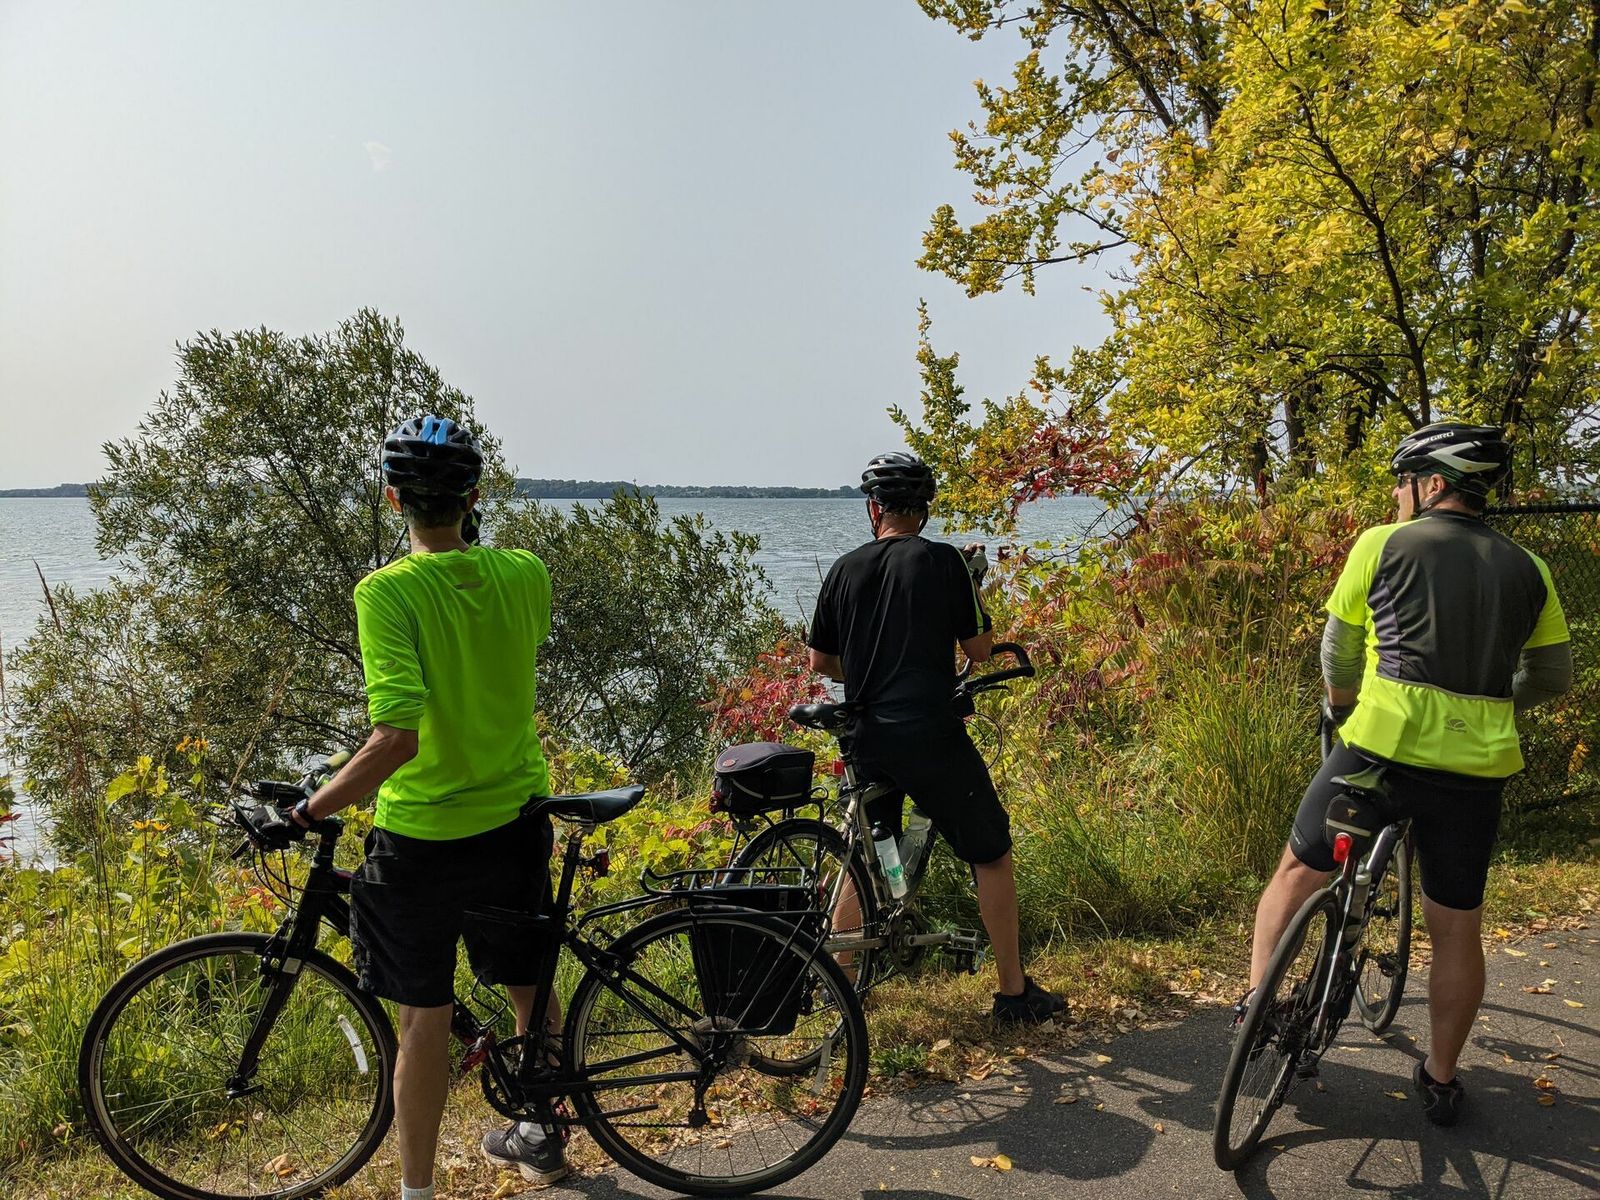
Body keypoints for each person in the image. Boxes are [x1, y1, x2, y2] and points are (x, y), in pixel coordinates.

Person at [1240, 422, 1572, 1126]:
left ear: (1434, 484)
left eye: (1404, 481)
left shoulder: (1383, 543)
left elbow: (1339, 651)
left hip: (1379, 750)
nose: (1398, 493)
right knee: (1456, 928)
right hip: (1475, 771)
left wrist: (1342, 709)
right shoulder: (1531, 569)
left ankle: (1256, 1007)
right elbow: (1552, 676)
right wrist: (1489, 702)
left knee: (1298, 871)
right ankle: (1441, 1078)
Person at [287, 415, 566, 1199]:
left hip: (425, 839)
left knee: (423, 1019)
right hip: (516, 819)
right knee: (529, 986)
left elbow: (395, 740)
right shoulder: (525, 573)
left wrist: (311, 809)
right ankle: (542, 1134)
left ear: (392, 499)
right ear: (474, 497)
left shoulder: (385, 592)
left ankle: (417, 1192)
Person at [806, 451, 1067, 1023]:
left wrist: (873, 670)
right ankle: (1014, 992)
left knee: (861, 854)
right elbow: (978, 650)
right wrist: (973, 584)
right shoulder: (945, 561)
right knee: (990, 852)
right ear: (923, 512)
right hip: (929, 733)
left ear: (873, 509)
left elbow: (823, 661)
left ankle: (839, 990)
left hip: (865, 733)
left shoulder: (844, 569)